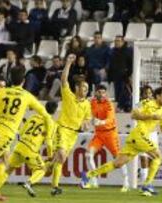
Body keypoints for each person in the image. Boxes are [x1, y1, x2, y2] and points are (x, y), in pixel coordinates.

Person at [81, 87, 162, 196]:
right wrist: (151, 115)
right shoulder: (146, 103)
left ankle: (88, 175)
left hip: (138, 138)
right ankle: (147, 185)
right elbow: (133, 115)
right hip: (140, 134)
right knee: (158, 157)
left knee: (118, 163)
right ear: (158, 96)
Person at [0, 67, 54, 201]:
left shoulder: (2, 92)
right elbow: (46, 116)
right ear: (23, 81)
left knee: (5, 159)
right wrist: (48, 139)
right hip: (6, 133)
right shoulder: (27, 96)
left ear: (9, 79)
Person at [0, 101, 58, 199]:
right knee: (41, 169)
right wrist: (50, 155)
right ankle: (29, 183)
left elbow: (21, 132)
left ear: (44, 107)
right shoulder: (52, 123)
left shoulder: (33, 117)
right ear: (55, 111)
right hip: (31, 149)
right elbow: (49, 141)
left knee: (8, 169)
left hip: (20, 146)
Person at [50, 54, 91, 196]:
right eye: (84, 88)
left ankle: (52, 183)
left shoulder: (86, 103)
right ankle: (53, 184)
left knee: (59, 160)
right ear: (77, 88)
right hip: (62, 129)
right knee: (60, 156)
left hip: (73, 134)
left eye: (87, 89)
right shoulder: (68, 95)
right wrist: (68, 63)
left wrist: (85, 125)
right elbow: (63, 80)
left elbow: (87, 119)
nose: (86, 91)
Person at [82, 84, 130, 191]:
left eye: (103, 92)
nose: (102, 94)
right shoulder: (92, 102)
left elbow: (110, 118)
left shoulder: (108, 104)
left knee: (118, 159)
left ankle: (126, 183)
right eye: (99, 92)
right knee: (88, 155)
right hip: (98, 134)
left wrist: (101, 122)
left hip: (110, 134)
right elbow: (88, 114)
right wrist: (86, 121)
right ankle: (94, 181)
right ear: (95, 92)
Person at [138, 85, 159, 185]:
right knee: (143, 158)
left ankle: (148, 183)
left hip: (153, 134)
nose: (148, 95)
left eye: (150, 93)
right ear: (142, 95)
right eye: (145, 93)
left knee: (152, 160)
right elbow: (134, 114)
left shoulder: (155, 105)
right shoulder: (139, 104)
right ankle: (144, 185)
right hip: (142, 134)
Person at [107, 36, 133, 112]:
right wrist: (109, 76)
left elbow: (131, 64)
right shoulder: (113, 51)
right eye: (115, 41)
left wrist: (128, 74)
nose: (116, 42)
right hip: (116, 75)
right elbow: (111, 65)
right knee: (117, 92)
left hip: (125, 76)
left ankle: (124, 106)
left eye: (118, 41)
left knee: (124, 91)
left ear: (123, 42)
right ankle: (120, 106)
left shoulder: (128, 51)